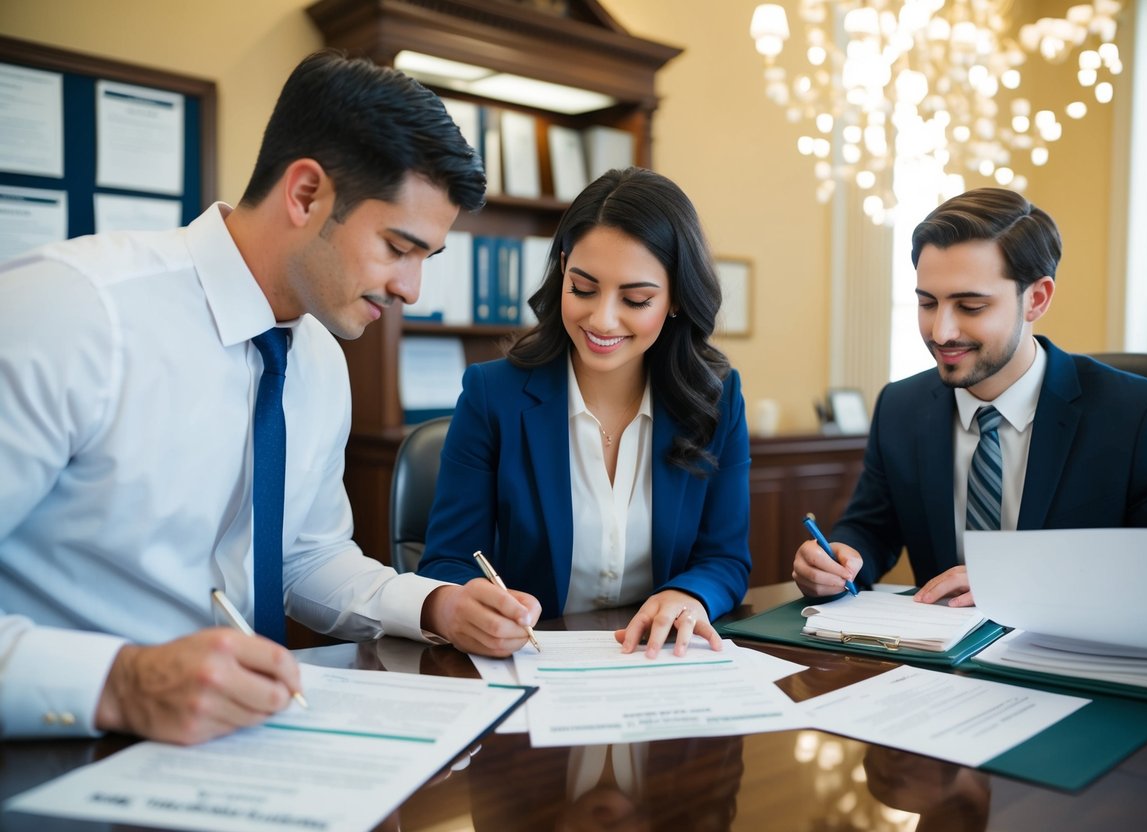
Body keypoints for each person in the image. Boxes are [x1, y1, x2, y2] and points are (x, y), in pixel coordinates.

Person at [0, 51, 541, 745]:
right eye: (397, 247)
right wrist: (122, 681)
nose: (412, 291)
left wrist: (435, 605)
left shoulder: (315, 356)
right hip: (63, 746)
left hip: (243, 747)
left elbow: (305, 558)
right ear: (306, 193)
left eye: (425, 259)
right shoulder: (73, 311)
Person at [792, 187, 1147, 606]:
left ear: (1037, 299)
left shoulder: (1136, 415)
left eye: (971, 306)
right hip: (939, 663)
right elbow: (870, 529)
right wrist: (838, 559)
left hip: (1077, 659)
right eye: (927, 303)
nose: (942, 332)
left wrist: (1019, 583)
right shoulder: (900, 407)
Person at [417, 167, 751, 656]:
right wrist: (471, 606)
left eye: (636, 299)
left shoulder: (717, 397)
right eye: (584, 288)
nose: (602, 319)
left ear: (676, 298)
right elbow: (446, 562)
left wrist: (687, 594)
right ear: (563, 270)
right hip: (530, 665)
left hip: (657, 666)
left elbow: (726, 557)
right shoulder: (493, 395)